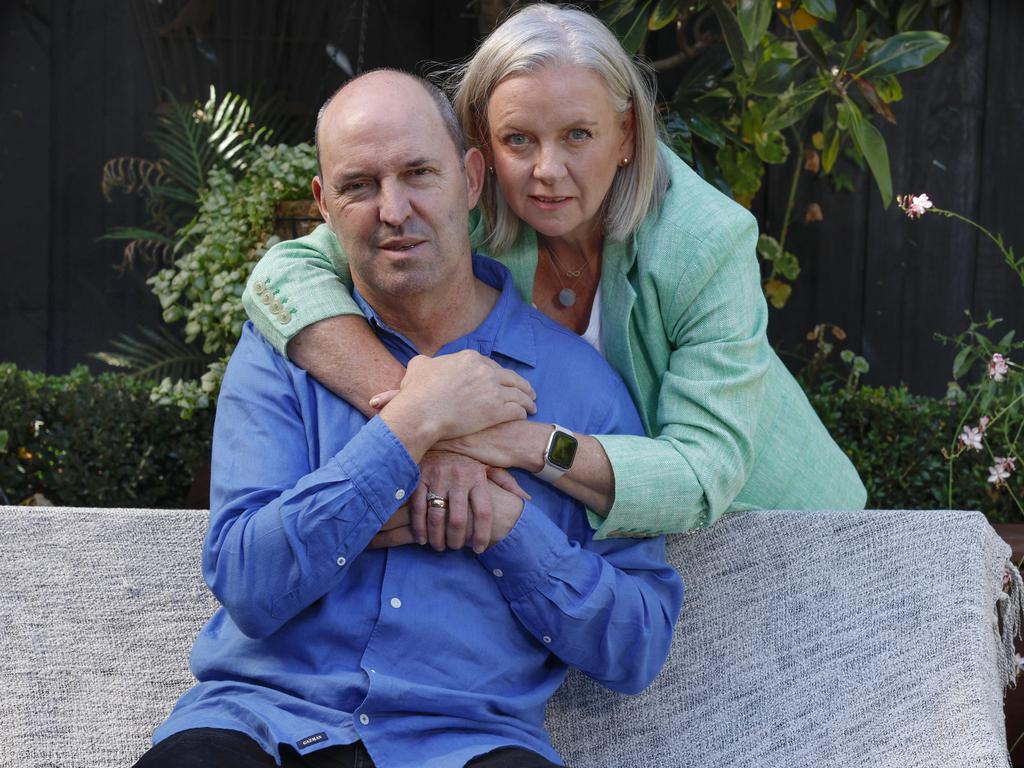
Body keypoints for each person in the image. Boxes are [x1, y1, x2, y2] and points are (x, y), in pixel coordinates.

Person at [133, 70, 683, 768]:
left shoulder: (583, 389)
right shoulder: (282, 357)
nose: (394, 210)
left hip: (467, 742)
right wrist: (408, 429)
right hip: (261, 728)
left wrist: (508, 529)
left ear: (471, 178)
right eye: (359, 185)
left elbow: (635, 648)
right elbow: (247, 580)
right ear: (324, 205)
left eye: (419, 174)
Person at [242, 4, 866, 546]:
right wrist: (419, 412)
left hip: (773, 528)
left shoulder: (704, 241)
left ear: (624, 135)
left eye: (577, 135)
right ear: (481, 149)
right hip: (600, 525)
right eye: (519, 140)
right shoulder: (468, 203)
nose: (547, 170)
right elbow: (281, 277)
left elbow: (703, 475)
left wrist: (522, 442)